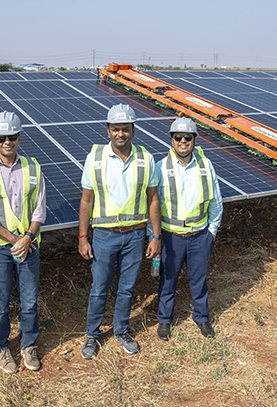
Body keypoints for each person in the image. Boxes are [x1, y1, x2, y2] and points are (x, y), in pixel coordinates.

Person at [78, 103, 161, 359]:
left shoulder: (146, 159)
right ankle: (92, 334)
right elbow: (86, 201)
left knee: (126, 288)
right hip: (104, 236)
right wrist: (82, 237)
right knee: (99, 287)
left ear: (133, 131)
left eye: (125, 129)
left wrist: (155, 235)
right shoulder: (95, 158)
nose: (120, 134)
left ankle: (121, 330)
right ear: (108, 131)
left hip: (135, 235)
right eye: (116, 129)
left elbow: (153, 199)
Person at [0, 111, 46, 373]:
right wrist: (17, 240)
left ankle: (28, 344)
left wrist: (28, 238)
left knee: (29, 301)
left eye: (12, 136)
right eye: (1, 137)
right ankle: (2, 348)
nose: (7, 142)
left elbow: (40, 209)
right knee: (0, 302)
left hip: (29, 246)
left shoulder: (33, 167)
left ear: (19, 137)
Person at [155, 117, 223, 341]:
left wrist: (211, 231)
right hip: (171, 237)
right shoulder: (160, 167)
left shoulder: (205, 165)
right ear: (171, 140)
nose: (183, 141)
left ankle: (202, 318)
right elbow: (152, 206)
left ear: (194, 139)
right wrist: (153, 236)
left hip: (200, 236)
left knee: (199, 280)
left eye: (188, 137)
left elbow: (215, 201)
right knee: (167, 280)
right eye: (178, 137)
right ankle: (164, 321)